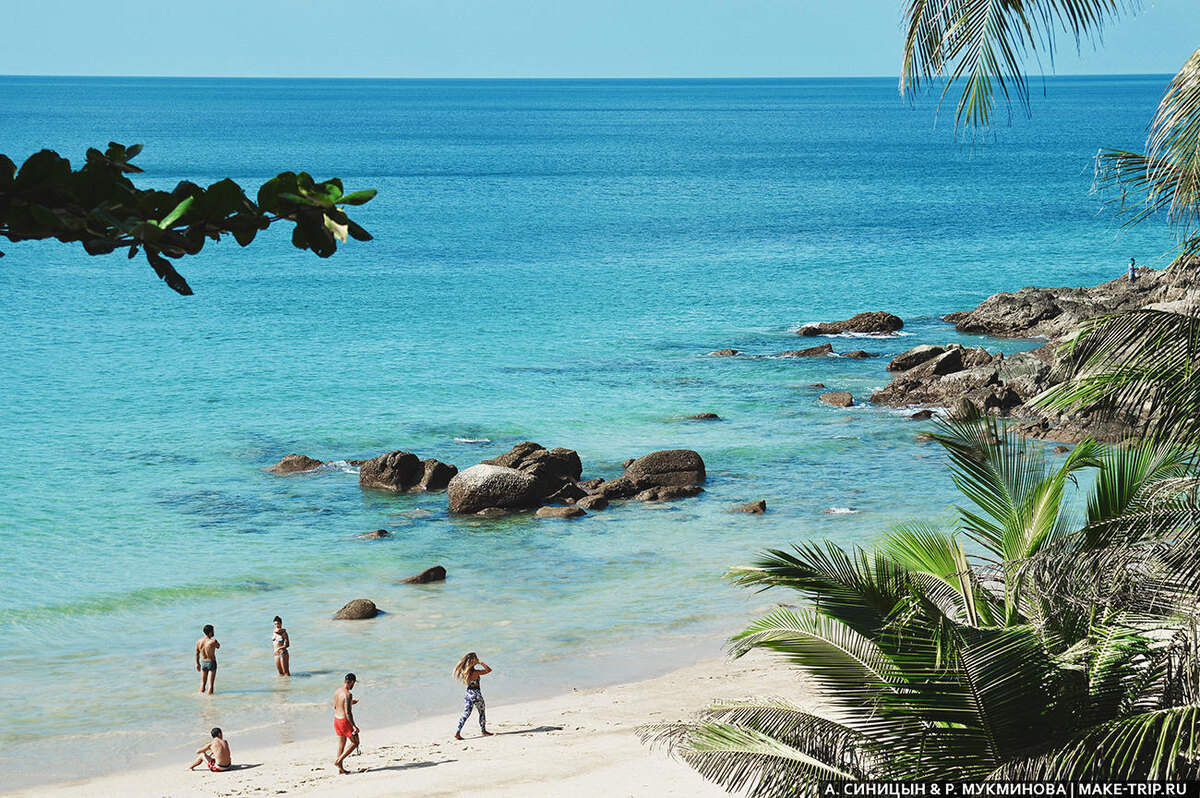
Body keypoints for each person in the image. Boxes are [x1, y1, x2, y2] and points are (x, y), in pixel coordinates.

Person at [452, 652, 493, 740]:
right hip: (476, 694)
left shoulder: (464, 671)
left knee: (466, 713)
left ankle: (458, 732)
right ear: (474, 661)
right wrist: (481, 663)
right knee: (481, 712)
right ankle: (483, 731)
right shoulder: (475, 672)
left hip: (468, 694)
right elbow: (489, 670)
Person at [333, 673, 360, 774]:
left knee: (341, 745)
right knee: (356, 742)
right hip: (344, 721)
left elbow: (336, 706)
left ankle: (340, 769)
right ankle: (338, 761)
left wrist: (351, 702)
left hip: (336, 720)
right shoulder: (348, 694)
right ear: (352, 682)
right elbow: (348, 713)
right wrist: (354, 726)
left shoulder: (337, 691)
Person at [195, 624, 220, 694]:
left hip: (203, 662)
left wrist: (197, 664)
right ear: (210, 632)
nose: (214, 632)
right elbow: (218, 646)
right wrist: (216, 642)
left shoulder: (199, 641)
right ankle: (210, 700)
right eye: (213, 631)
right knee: (211, 685)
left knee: (203, 683)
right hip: (211, 662)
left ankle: (201, 697)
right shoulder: (212, 641)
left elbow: (197, 654)